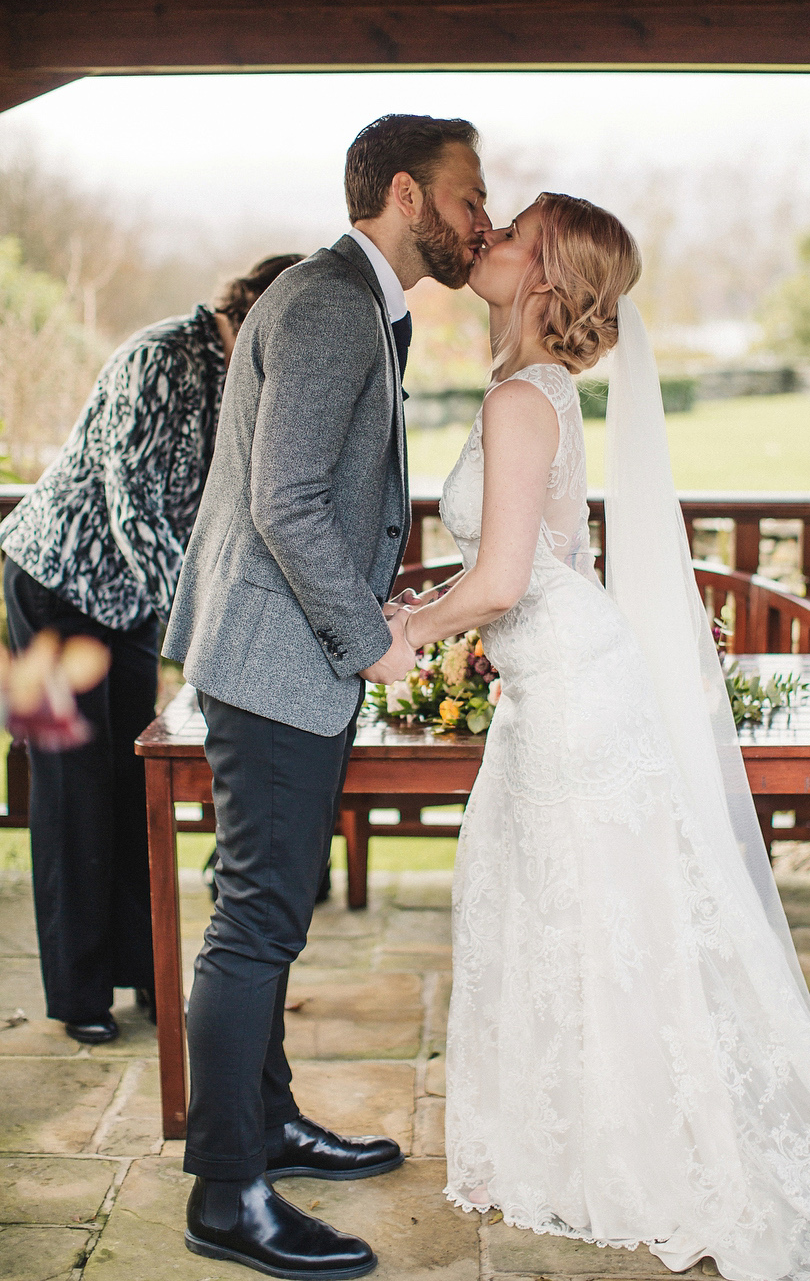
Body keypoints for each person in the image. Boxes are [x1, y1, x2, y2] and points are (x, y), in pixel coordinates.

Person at [394, 193, 810, 1281]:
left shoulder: (525, 400)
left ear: (547, 276)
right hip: (555, 684)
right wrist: (427, 603)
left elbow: (510, 578)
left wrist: (415, 626)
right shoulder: (536, 390)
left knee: (598, 917)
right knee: (584, 914)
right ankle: (587, 1140)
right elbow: (534, 564)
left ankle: (634, 1150)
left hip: (569, 695)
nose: (489, 240)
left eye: (511, 233)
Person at [162, 114, 490, 1279]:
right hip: (277, 663)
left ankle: (269, 1127)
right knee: (254, 926)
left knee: (270, 913)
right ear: (405, 192)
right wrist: (373, 645)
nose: (481, 217)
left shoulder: (351, 303)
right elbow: (287, 503)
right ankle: (226, 1195)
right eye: (467, 194)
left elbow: (315, 501)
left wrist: (379, 609)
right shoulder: (326, 302)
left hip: (282, 656)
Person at [0, 254, 303, 1046]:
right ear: (258, 314)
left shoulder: (244, 380)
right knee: (71, 789)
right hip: (53, 585)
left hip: (128, 602)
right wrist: (201, 631)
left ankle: (142, 971)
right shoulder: (159, 357)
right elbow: (131, 507)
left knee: (132, 785)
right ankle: (79, 996)